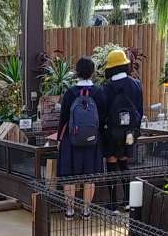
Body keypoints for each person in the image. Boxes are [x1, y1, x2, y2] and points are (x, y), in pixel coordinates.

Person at [57, 56, 106, 219]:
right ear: (92, 72)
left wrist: (59, 139)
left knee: (69, 177)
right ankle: (86, 211)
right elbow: (102, 119)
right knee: (89, 177)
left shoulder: (70, 93)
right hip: (93, 141)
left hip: (71, 140)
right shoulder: (99, 92)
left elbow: (64, 119)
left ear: (76, 71)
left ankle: (69, 211)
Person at [102, 49, 143, 211]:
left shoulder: (106, 88)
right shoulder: (136, 84)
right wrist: (134, 130)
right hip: (129, 133)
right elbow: (139, 111)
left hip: (111, 133)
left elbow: (103, 113)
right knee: (124, 163)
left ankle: (112, 204)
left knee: (112, 164)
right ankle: (127, 201)